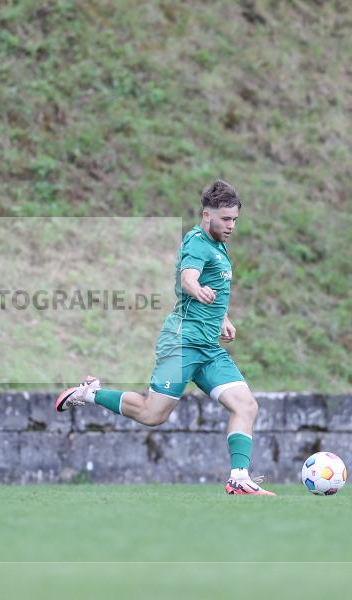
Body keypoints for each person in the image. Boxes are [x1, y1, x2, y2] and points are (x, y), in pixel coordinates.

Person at [56, 180, 275, 495]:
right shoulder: (198, 242)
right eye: (225, 219)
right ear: (206, 215)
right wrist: (195, 288)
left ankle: (239, 478)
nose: (231, 226)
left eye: (234, 220)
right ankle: (89, 393)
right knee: (152, 413)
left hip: (207, 348)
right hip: (182, 343)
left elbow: (213, 283)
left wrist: (223, 318)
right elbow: (189, 277)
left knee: (246, 406)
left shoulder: (219, 243)